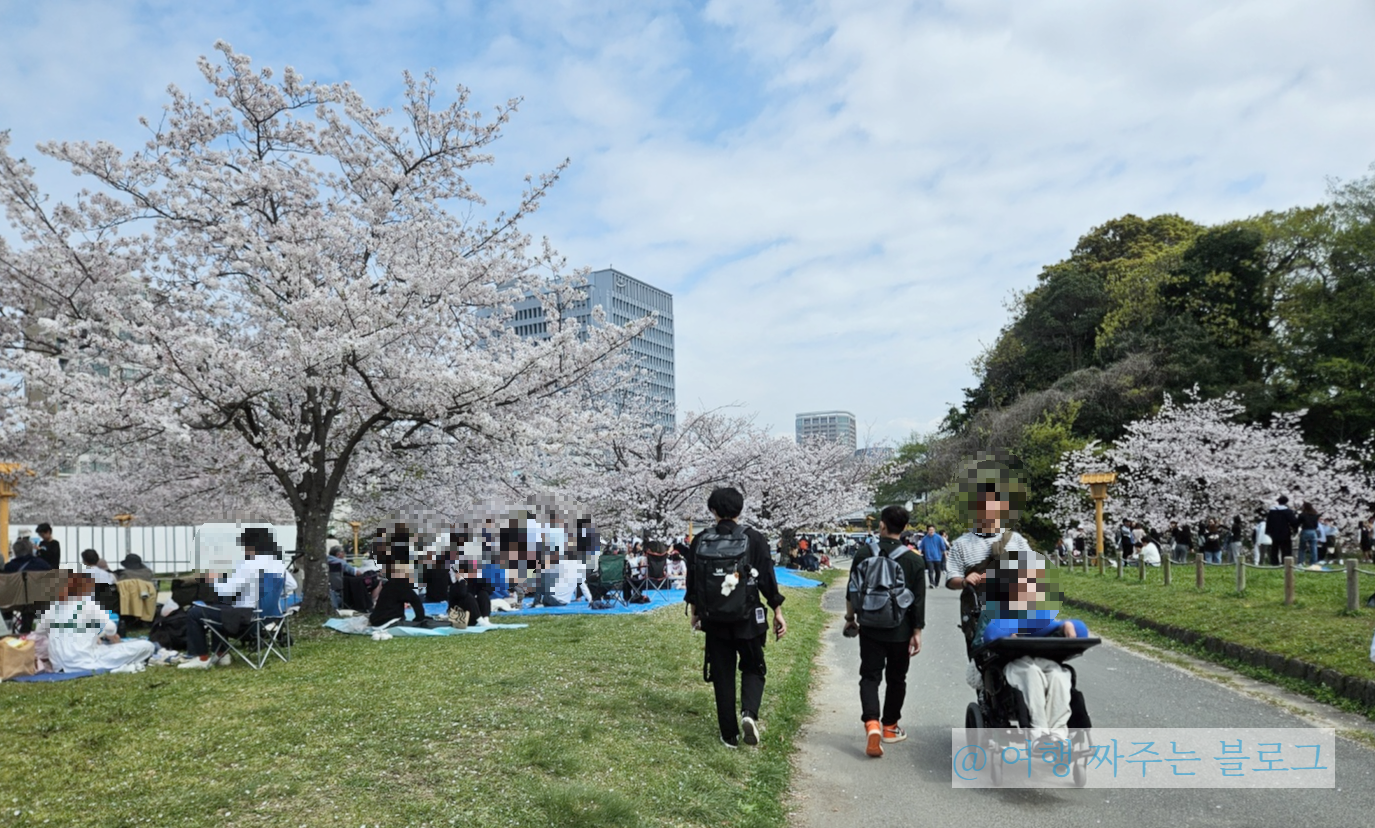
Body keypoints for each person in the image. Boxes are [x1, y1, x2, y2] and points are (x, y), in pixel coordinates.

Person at [685, 487, 786, 749]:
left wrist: (695, 613)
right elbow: (766, 577)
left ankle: (728, 735)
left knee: (722, 674)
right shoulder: (754, 538)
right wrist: (777, 610)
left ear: (713, 510)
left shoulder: (701, 540)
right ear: (740, 510)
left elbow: (693, 581)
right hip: (748, 618)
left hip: (714, 620)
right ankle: (749, 714)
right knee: (753, 666)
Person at [972, 551, 1089, 742]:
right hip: (1008, 664)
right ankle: (1039, 734)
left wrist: (1066, 626)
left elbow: (1070, 629)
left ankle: (1058, 735)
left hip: (1045, 660)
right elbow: (983, 640)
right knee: (1031, 672)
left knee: (1060, 676)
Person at [844, 504, 925, 757]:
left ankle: (871, 724)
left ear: (881, 525)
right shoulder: (913, 560)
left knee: (870, 677)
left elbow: (852, 591)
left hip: (869, 627)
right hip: (900, 630)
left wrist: (850, 619)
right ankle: (890, 727)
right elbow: (918, 601)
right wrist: (917, 631)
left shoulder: (863, 553)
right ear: (904, 528)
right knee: (897, 678)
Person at [179, 527, 298, 669]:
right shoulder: (278, 564)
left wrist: (213, 580)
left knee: (195, 612)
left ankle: (201, 657)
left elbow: (227, 591)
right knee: (222, 610)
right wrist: (269, 597)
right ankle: (221, 654)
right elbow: (292, 585)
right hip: (270, 617)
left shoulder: (247, 564)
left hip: (248, 620)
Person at [34, 572, 156, 672]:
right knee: (147, 646)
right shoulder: (88, 606)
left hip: (58, 667)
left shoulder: (51, 610)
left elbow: (39, 632)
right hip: (87, 662)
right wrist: (112, 638)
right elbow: (111, 629)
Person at [1265, 496, 1299, 566]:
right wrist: (1295, 530)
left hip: (1274, 532)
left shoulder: (1272, 511)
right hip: (1285, 532)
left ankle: (1274, 562)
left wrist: (1268, 531)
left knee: (1275, 548)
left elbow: (1268, 522)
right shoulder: (1288, 511)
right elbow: (1293, 522)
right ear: (1286, 502)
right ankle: (1286, 562)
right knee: (1286, 548)